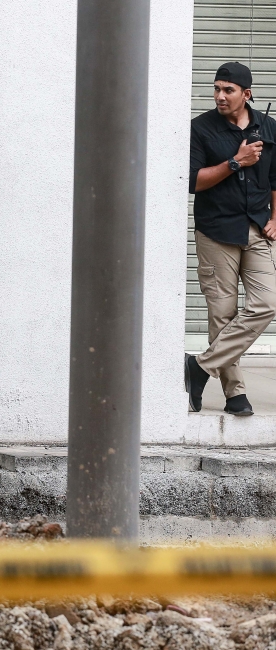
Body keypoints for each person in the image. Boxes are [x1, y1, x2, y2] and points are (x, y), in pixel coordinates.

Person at [186, 61, 276, 417]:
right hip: (216, 231)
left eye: (228, 90)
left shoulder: (269, 128)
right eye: (217, 89)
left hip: (256, 228)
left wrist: (275, 218)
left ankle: (199, 366)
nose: (220, 96)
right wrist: (235, 162)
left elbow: (275, 182)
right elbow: (194, 181)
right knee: (222, 314)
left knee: (266, 303)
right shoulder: (201, 129)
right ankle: (235, 393)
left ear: (246, 94)